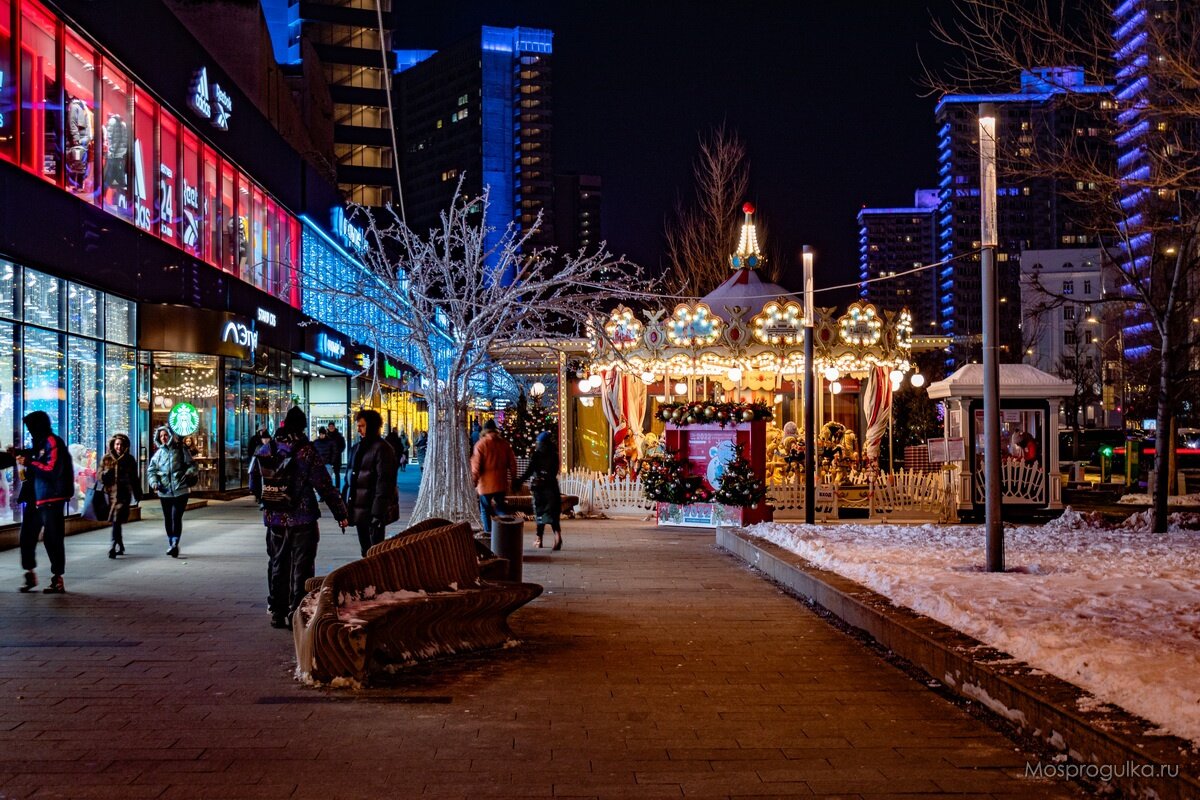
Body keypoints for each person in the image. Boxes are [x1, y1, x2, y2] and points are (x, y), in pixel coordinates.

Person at [250, 406, 349, 629]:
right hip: (302, 518)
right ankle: (297, 611)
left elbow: (253, 482)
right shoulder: (306, 451)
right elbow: (324, 485)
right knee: (302, 566)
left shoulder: (267, 449)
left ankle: (277, 610)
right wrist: (341, 513)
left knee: (278, 563)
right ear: (303, 426)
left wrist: (268, 500)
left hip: (275, 519)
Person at [6, 411, 74, 593]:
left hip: (51, 498)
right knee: (26, 537)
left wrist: (29, 463)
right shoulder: (39, 442)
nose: (29, 431)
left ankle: (57, 578)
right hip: (34, 498)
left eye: (30, 427)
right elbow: (36, 458)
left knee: (53, 539)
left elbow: (52, 470)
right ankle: (30, 574)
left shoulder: (52, 441)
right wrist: (19, 454)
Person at [344, 410, 400, 556]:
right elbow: (349, 480)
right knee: (365, 550)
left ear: (372, 426)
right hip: (359, 508)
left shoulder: (383, 449)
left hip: (373, 509)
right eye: (358, 426)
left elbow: (385, 483)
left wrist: (378, 512)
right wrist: (345, 506)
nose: (358, 429)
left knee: (375, 551)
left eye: (362, 426)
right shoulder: (356, 448)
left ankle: (375, 577)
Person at [146, 425, 197, 558]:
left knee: (175, 516)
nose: (163, 438)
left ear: (170, 436)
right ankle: (171, 542)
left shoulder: (180, 449)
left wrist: (188, 473)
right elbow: (151, 471)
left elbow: (192, 465)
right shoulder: (157, 454)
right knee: (168, 518)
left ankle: (175, 542)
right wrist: (154, 483)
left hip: (180, 490)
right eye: (161, 436)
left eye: (165, 435)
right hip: (164, 491)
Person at [470, 419, 517, 536]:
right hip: (501, 483)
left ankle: (489, 534)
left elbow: (476, 467)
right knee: (500, 506)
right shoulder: (504, 444)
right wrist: (514, 478)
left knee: (485, 509)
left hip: (485, 484)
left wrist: (474, 481)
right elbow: (512, 463)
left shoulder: (480, 445)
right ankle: (505, 528)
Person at [518, 431, 563, 550]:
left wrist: (519, 481)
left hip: (539, 488)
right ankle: (557, 536)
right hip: (552, 487)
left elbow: (529, 470)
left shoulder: (537, 454)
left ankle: (539, 539)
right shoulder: (554, 454)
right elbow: (554, 471)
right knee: (553, 514)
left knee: (539, 514)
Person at [99, 433, 141, 559]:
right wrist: (105, 474)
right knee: (115, 521)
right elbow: (99, 475)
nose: (119, 447)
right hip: (110, 494)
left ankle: (113, 546)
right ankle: (120, 544)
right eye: (117, 444)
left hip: (123, 495)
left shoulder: (129, 460)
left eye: (121, 445)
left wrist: (137, 493)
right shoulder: (107, 458)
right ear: (113, 444)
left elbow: (134, 478)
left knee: (116, 519)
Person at [326, 422, 346, 489]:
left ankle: (337, 488)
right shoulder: (326, 436)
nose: (331, 428)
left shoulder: (339, 436)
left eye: (332, 426)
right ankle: (329, 488)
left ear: (334, 427)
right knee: (328, 475)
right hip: (328, 458)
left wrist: (338, 452)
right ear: (328, 427)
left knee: (337, 474)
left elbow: (343, 446)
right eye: (330, 426)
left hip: (337, 458)